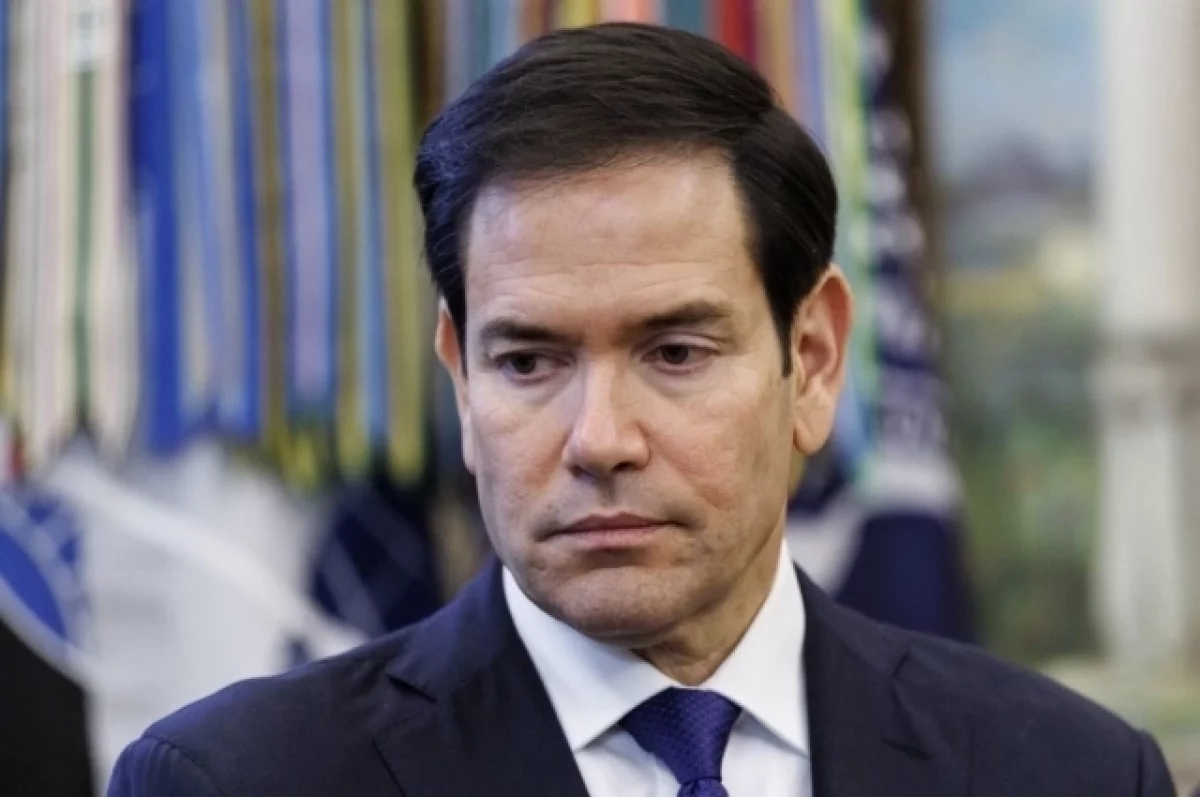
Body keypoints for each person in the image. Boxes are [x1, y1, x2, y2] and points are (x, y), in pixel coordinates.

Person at [108, 23, 1175, 797]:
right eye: (529, 361)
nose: (600, 440)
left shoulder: (1067, 771)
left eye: (674, 352)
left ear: (811, 361)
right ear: (461, 378)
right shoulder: (238, 779)